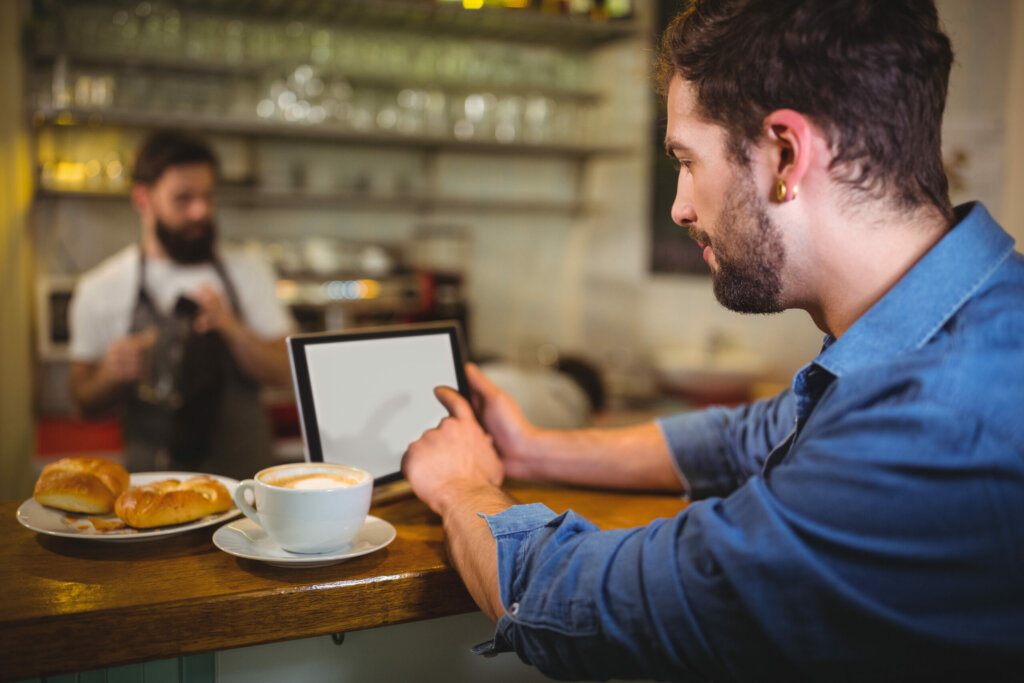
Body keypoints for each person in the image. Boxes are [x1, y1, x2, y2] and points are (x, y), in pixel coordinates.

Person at [401, 1, 1024, 680]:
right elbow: (746, 436)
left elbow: (577, 604)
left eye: (688, 161)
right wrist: (532, 447)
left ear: (786, 153)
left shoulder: (933, 422)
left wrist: (461, 487)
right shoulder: (973, 323)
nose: (680, 206)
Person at [68, 130, 294, 481]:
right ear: (143, 198)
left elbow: (287, 373)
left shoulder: (248, 271)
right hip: (152, 491)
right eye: (183, 199)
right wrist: (109, 373)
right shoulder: (101, 288)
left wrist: (234, 331)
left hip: (248, 490)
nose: (200, 211)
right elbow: (82, 400)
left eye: (207, 196)